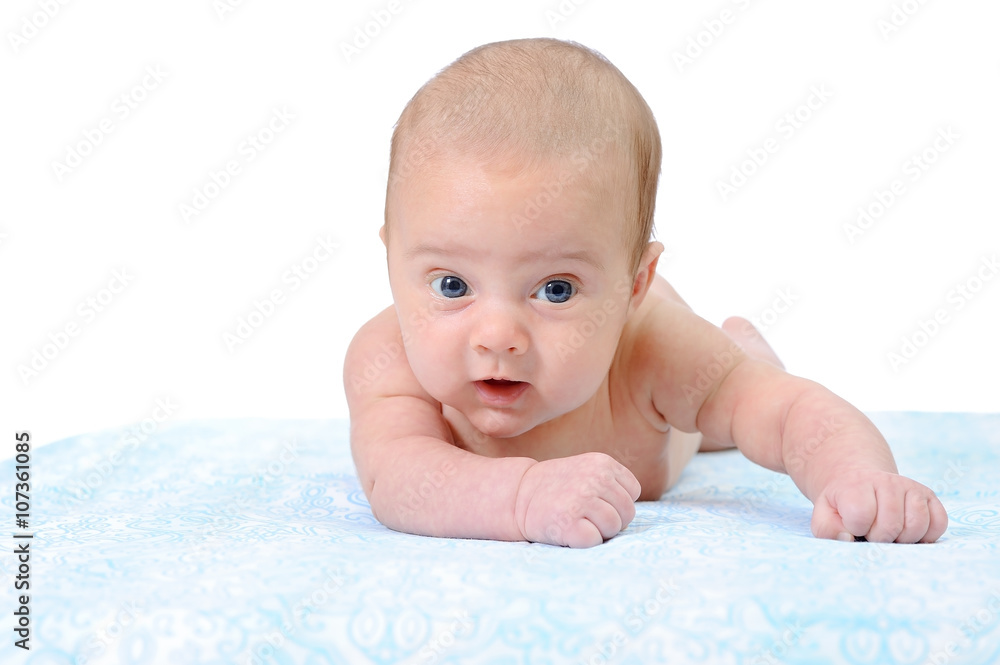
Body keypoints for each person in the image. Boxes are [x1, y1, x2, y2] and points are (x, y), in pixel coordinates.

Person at [343, 37, 947, 548]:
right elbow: (398, 478)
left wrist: (858, 476)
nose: (498, 335)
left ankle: (747, 357)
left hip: (664, 407)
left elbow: (794, 414)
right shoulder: (386, 359)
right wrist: (523, 499)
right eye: (452, 285)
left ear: (634, 286)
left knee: (720, 412)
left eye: (555, 290)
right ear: (392, 262)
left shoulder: (652, 347)